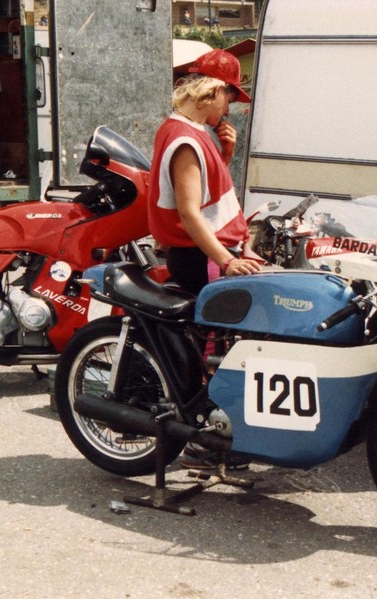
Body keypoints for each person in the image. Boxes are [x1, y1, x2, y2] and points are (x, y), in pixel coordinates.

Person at [148, 48, 260, 469]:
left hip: (208, 252)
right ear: (211, 91)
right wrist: (227, 260)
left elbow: (206, 201)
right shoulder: (185, 138)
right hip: (204, 257)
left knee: (223, 345)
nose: (230, 106)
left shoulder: (192, 133)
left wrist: (225, 156)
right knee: (218, 348)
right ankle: (205, 440)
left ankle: (220, 431)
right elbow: (190, 212)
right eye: (229, 96)